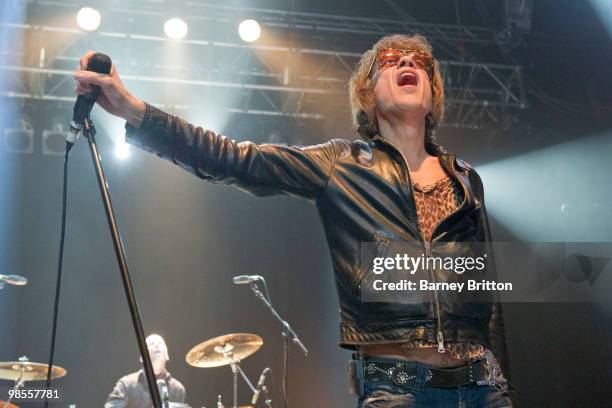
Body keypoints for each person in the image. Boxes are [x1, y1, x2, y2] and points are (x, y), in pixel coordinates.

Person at [76, 34, 513, 407]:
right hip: (398, 386)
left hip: (481, 383)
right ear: (367, 92)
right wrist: (136, 111)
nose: (407, 62)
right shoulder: (341, 163)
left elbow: (486, 295)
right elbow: (233, 158)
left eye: (420, 62)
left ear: (432, 91)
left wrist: (503, 380)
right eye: (390, 60)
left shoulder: (465, 177)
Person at [105, 334, 186, 407]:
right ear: (142, 358)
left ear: (167, 355)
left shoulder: (178, 389)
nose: (157, 345)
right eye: (151, 344)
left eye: (160, 343)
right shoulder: (127, 383)